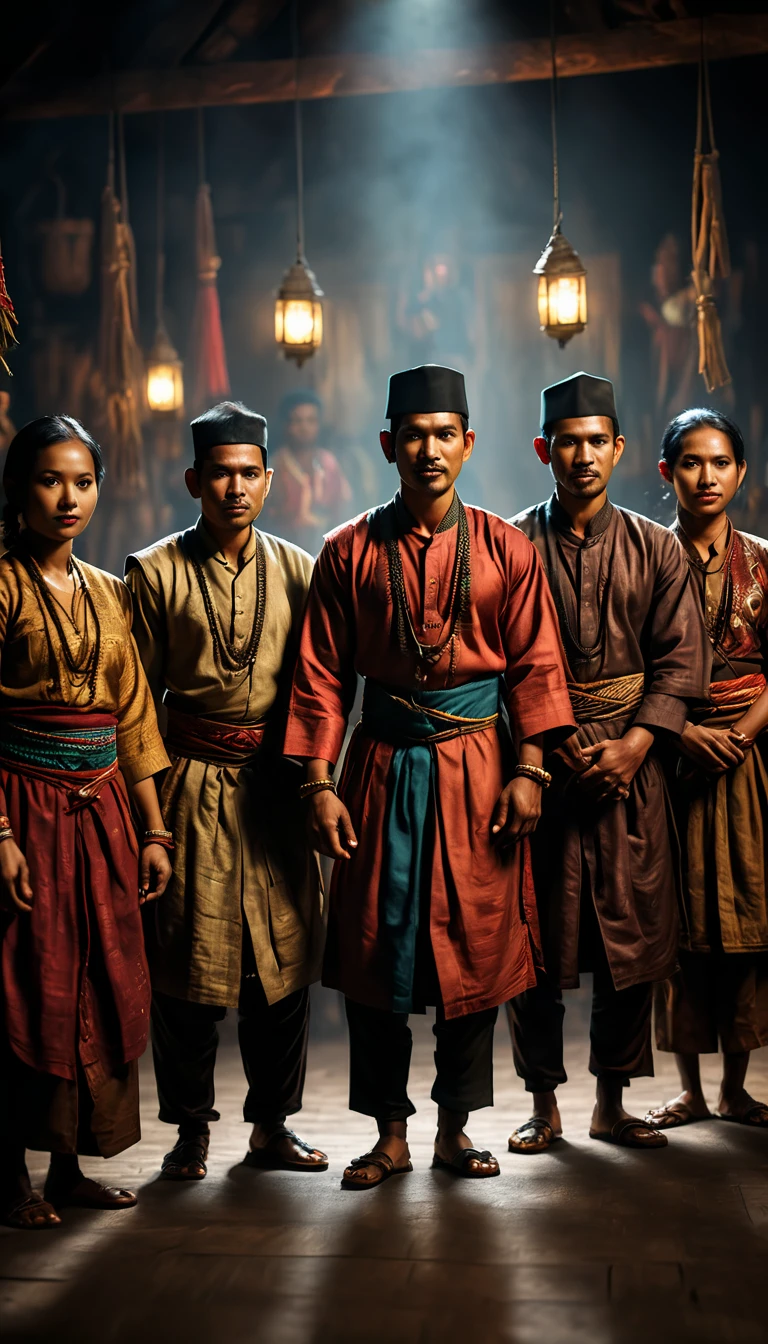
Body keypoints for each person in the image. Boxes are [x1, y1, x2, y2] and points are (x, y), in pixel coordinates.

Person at [284, 364, 575, 1189]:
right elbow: (321, 678)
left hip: (481, 768)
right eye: (414, 434)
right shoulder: (346, 551)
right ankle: (388, 1136)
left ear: (469, 444)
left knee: (475, 952)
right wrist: (316, 783)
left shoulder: (506, 548)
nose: (429, 448)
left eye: (445, 433)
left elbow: (535, 665)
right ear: (388, 445)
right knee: (379, 957)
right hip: (380, 767)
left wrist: (530, 769)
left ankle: (453, 1131)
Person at [506, 371, 709, 1154]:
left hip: (634, 770)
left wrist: (633, 747)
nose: (583, 456)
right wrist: (552, 747)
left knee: (631, 944)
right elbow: (502, 665)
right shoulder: (514, 544)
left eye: (597, 442)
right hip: (541, 772)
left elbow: (680, 661)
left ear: (619, 449)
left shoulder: (657, 550)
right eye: (568, 443)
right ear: (543, 450)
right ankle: (544, 1106)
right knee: (539, 949)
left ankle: (611, 1104)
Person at [125, 400, 327, 1182]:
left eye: (249, 473)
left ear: (268, 481)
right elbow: (135, 701)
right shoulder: (153, 572)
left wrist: (315, 785)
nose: (235, 487)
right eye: (220, 473)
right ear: (194, 480)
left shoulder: (301, 570)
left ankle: (272, 1127)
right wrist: (148, 818)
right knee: (188, 971)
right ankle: (189, 1132)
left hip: (274, 790)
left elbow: (317, 693)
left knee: (280, 971)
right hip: (186, 787)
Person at [0, 416, 171, 1230]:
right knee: (21, 984)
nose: (68, 498)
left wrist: (155, 829)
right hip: (21, 807)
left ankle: (67, 1169)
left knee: (92, 982)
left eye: (83, 481)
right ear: (18, 489)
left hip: (100, 810)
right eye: (49, 480)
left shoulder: (108, 591)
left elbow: (133, 715)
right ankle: (8, 1177)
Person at [647, 409, 768, 1131]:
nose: (707, 475)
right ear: (667, 472)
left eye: (720, 462)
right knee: (682, 923)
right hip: (671, 757)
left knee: (749, 917)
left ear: (741, 471)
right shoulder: (645, 558)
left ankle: (735, 1087)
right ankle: (690, 1088)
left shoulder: (763, 561)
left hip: (751, 760)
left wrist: (744, 734)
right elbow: (632, 668)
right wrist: (684, 731)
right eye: (691, 462)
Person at [267, 390, 352, 554]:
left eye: (311, 420)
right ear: (286, 425)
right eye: (297, 421)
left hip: (328, 552)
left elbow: (344, 507)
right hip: (285, 552)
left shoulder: (329, 463)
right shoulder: (275, 466)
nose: (304, 428)